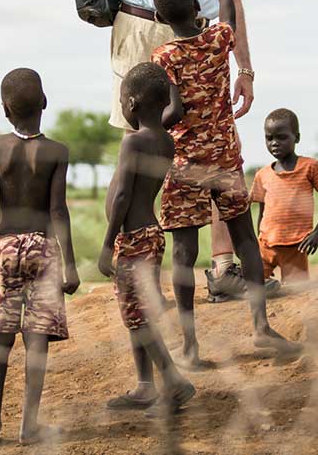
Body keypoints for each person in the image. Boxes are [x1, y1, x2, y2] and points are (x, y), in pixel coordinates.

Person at [109, 0, 256, 279]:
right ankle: (134, 256)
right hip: (143, 27)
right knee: (141, 145)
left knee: (211, 146)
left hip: (202, 36)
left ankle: (222, 268)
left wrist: (245, 68)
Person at [150, 0, 300, 366]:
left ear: (160, 18)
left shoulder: (164, 57)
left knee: (184, 252)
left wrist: (152, 125)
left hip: (185, 164)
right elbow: (229, 13)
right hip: (225, 156)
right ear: (198, 8)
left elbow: (175, 110)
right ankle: (261, 328)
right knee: (244, 238)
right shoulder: (219, 40)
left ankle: (190, 347)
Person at [0, 68, 81, 447]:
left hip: (5, 247)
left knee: (0, 341)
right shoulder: (57, 152)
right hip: (44, 249)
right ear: (45, 103)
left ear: (4, 110)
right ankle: (29, 426)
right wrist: (69, 264)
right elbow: (58, 211)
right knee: (37, 340)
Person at [97, 62, 196, 415]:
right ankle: (144, 387)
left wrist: (108, 244)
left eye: (122, 98)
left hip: (134, 237)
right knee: (138, 312)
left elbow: (123, 196)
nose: (121, 104)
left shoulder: (134, 142)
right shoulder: (165, 140)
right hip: (152, 235)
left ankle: (173, 382)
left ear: (133, 103)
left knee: (137, 316)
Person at [250, 108, 318, 286]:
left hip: (296, 246)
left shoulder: (309, 167)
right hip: (265, 245)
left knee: (295, 292)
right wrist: (257, 239)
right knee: (255, 284)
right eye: (269, 138)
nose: (274, 143)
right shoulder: (262, 174)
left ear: (296, 137)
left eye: (282, 137)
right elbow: (262, 211)